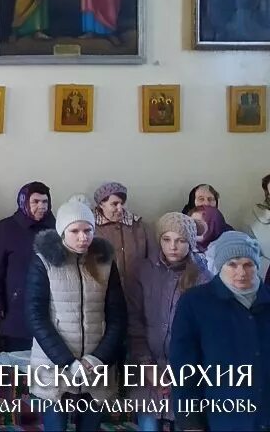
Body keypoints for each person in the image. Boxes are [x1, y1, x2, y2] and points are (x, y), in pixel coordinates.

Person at [27, 195, 126, 432]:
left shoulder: (104, 261)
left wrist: (97, 358)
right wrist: (67, 362)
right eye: (75, 231)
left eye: (88, 230)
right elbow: (36, 316)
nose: (83, 237)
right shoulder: (45, 262)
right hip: (54, 364)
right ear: (62, 232)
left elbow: (117, 316)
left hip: (95, 365)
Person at [170, 231, 270, 431]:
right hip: (222, 419)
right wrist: (191, 423)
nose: (241, 272)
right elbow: (184, 369)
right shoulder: (195, 303)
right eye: (232, 264)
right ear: (220, 266)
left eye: (248, 264)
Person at [127, 213, 210, 432]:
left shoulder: (203, 278)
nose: (173, 246)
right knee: (148, 426)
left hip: (185, 372)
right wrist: (147, 365)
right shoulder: (143, 271)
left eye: (181, 240)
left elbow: (203, 332)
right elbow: (134, 321)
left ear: (190, 243)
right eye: (167, 239)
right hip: (146, 368)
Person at [0, 182, 56, 351]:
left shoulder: (56, 228)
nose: (41, 206)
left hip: (50, 304)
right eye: (35, 202)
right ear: (24, 202)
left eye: (45, 202)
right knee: (17, 359)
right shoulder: (6, 228)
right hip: (15, 303)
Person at [93, 182, 152, 289]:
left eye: (122, 203)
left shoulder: (139, 226)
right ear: (101, 204)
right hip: (103, 289)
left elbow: (152, 257)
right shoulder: (91, 228)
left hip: (136, 289)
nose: (120, 209)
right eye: (114, 204)